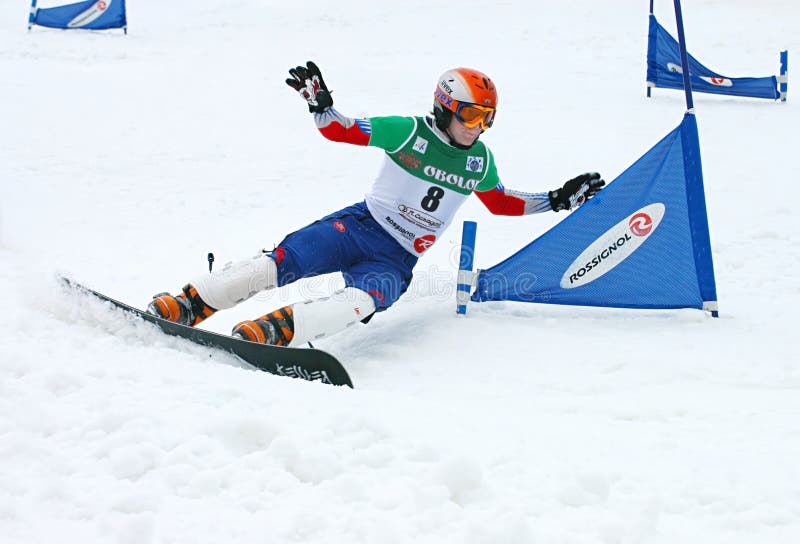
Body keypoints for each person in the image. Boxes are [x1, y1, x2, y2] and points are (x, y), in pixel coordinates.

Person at [147, 61, 605, 346]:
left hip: (398, 258)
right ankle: (190, 303)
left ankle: (276, 331)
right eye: (471, 114)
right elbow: (340, 129)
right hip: (358, 227)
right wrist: (320, 106)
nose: (479, 127)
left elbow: (500, 203)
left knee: (360, 302)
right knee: (283, 262)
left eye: (488, 117)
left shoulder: (479, 160)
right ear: (446, 107)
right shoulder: (409, 131)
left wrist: (556, 200)